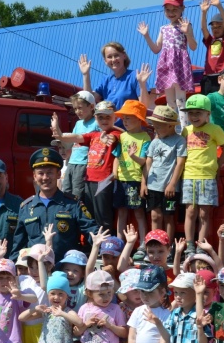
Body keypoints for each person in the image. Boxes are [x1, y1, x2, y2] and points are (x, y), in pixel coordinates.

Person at [10, 147, 98, 262]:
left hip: (65, 271)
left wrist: (109, 249)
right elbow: (18, 245)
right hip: (36, 271)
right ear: (34, 176)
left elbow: (92, 232)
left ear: (58, 174)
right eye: (40, 173)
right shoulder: (26, 207)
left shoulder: (72, 204)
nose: (45, 178)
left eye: (50, 173)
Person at [51, 101, 121, 234]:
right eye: (100, 117)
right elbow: (76, 137)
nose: (104, 120)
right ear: (96, 118)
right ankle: (92, 242)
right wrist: (59, 134)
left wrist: (107, 137)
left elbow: (113, 138)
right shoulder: (93, 135)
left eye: (108, 117)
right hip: (89, 180)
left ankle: (105, 246)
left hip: (104, 181)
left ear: (115, 118)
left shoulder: (116, 134)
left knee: (103, 214)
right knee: (89, 212)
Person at [180, 94, 224, 257]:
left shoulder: (215, 129)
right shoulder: (186, 130)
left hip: (207, 176)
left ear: (207, 114)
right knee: (190, 212)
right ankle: (189, 246)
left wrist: (217, 163)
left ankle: (201, 245)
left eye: (198, 113)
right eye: (190, 113)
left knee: (204, 213)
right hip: (189, 175)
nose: (193, 116)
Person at [138, 0, 198, 129]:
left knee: (180, 99)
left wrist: (187, 32)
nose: (171, 13)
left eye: (174, 10)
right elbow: (156, 49)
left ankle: (184, 128)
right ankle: (172, 128)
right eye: (168, 10)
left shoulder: (186, 25)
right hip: (166, 64)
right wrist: (146, 35)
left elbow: (193, 46)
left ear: (182, 9)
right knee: (169, 100)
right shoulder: (163, 29)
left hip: (180, 63)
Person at [142, 105, 187, 251]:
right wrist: (144, 183)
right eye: (154, 125)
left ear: (170, 125)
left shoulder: (179, 141)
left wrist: (173, 184)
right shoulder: (154, 142)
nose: (155, 128)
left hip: (170, 187)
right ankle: (155, 245)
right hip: (153, 185)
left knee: (168, 217)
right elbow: (148, 162)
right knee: (155, 216)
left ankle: (166, 247)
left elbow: (180, 163)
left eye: (158, 125)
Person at [112, 100, 151, 259]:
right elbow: (116, 156)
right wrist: (115, 172)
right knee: (121, 212)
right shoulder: (121, 136)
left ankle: (142, 243)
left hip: (135, 179)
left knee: (139, 212)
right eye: (124, 118)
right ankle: (119, 242)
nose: (125, 121)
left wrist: (134, 155)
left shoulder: (145, 137)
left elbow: (144, 161)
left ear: (139, 119)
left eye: (129, 118)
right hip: (121, 180)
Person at [79, 41, 154, 111]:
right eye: (109, 57)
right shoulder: (106, 80)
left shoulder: (135, 76)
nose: (113, 59)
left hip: (128, 124)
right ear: (105, 61)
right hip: (109, 124)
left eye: (116, 55)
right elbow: (88, 99)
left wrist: (142, 85)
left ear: (124, 56)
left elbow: (144, 106)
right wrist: (86, 74)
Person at [63, 92, 99, 202]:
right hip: (72, 162)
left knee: (77, 193)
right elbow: (73, 142)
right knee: (66, 190)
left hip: (83, 163)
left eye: (80, 108)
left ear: (91, 106)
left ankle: (78, 216)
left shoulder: (97, 123)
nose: (77, 111)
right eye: (75, 108)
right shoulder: (78, 123)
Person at [199, 0, 224, 95]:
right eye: (213, 27)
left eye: (219, 26)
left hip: (223, 75)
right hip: (209, 76)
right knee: (207, 103)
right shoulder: (210, 40)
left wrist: (219, 6)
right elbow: (203, 29)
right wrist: (204, 12)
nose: (216, 29)